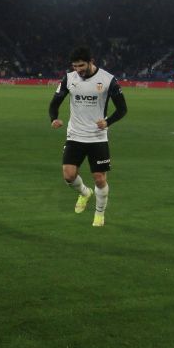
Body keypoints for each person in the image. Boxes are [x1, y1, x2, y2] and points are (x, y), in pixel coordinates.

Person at [48, 46, 128, 228]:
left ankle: (99, 214)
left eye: (81, 66)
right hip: (75, 134)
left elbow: (122, 109)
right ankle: (85, 193)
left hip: (97, 137)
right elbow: (54, 103)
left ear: (91, 62)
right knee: (69, 176)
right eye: (75, 66)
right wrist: (54, 118)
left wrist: (108, 122)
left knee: (99, 178)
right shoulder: (69, 78)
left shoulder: (108, 80)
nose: (78, 70)